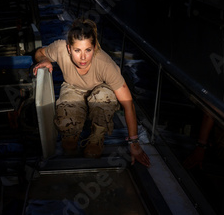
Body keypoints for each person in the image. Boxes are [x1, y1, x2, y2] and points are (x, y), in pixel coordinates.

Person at [33, 17, 150, 167]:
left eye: (88, 50)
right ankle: (71, 135)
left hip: (99, 92)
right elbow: (39, 52)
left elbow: (128, 104)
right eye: (77, 50)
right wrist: (44, 60)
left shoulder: (105, 64)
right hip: (73, 88)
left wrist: (134, 143)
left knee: (104, 96)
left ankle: (96, 138)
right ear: (69, 48)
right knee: (68, 144)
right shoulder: (60, 48)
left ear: (94, 48)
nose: (83, 57)